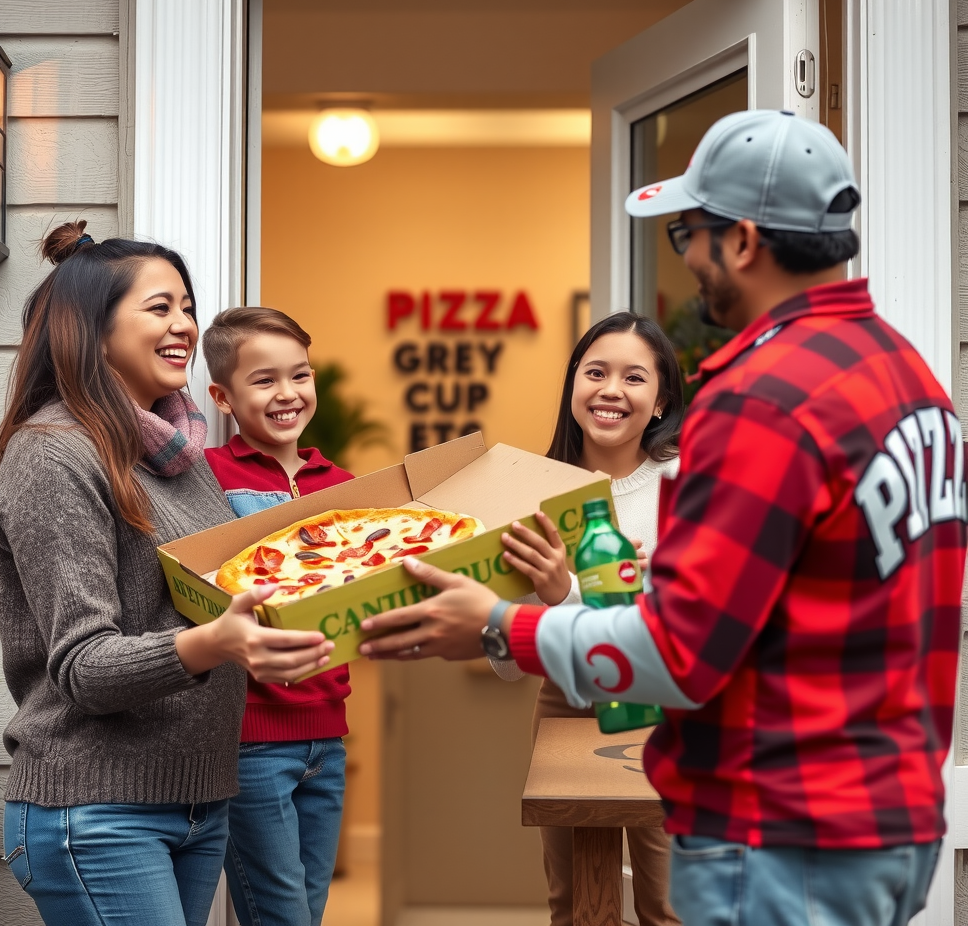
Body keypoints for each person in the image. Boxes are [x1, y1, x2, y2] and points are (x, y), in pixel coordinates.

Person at [355, 111, 968, 926]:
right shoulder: (907, 375)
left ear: (743, 242)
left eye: (689, 231)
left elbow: (683, 648)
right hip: (888, 811)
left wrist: (505, 625)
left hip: (779, 825)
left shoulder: (764, 399)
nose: (683, 254)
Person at [0, 223, 334, 926]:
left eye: (187, 306)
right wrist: (220, 643)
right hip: (98, 809)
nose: (184, 325)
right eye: (159, 308)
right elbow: (83, 664)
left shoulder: (182, 461)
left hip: (199, 801)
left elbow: (203, 606)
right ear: (93, 327)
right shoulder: (55, 456)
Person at [491, 311, 683, 926]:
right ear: (574, 385)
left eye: (634, 378)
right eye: (595, 372)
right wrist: (550, 597)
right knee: (576, 909)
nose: (610, 391)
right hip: (567, 707)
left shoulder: (689, 485)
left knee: (670, 907)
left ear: (660, 402)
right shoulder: (528, 493)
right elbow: (503, 661)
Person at [202, 307, 354, 926]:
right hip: (251, 738)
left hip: (329, 733)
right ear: (223, 396)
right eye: (264, 381)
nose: (287, 394)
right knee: (281, 915)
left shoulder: (344, 486)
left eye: (300, 375)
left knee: (307, 912)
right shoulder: (206, 479)